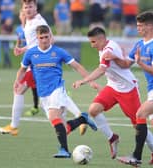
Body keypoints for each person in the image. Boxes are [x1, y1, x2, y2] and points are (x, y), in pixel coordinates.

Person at [0, 0, 87, 137]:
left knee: (19, 89)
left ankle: (14, 126)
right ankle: (80, 116)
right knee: (54, 94)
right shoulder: (29, 21)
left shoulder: (39, 22)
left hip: (38, 64)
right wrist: (23, 49)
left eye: (30, 6)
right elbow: (35, 42)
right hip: (35, 62)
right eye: (25, 7)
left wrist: (38, 56)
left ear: (36, 7)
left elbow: (50, 40)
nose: (28, 9)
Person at [9, 24, 98, 158]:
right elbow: (22, 70)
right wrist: (17, 81)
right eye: (41, 38)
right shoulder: (31, 53)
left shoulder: (59, 52)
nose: (44, 40)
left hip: (57, 90)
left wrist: (89, 80)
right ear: (37, 38)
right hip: (43, 94)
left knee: (53, 117)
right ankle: (82, 119)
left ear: (50, 37)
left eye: (46, 37)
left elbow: (77, 66)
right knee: (62, 128)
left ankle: (64, 150)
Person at [73, 26, 153, 167]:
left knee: (138, 125)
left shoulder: (109, 49)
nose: (92, 45)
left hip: (128, 90)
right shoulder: (103, 48)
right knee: (93, 110)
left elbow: (102, 70)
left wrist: (84, 80)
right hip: (112, 88)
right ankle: (112, 137)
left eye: (93, 42)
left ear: (102, 39)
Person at [107, 11, 153, 166]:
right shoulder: (139, 44)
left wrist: (141, 64)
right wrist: (115, 57)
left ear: (150, 26)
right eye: (137, 25)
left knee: (140, 113)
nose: (138, 28)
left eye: (141, 25)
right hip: (151, 90)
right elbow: (126, 63)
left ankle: (136, 157)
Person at [14, 9, 39, 116]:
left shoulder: (32, 26)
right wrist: (18, 47)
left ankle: (14, 124)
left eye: (24, 14)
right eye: (22, 14)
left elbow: (35, 43)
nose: (23, 15)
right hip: (27, 58)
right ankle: (35, 106)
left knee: (21, 88)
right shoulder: (20, 29)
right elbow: (19, 40)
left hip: (34, 58)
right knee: (34, 84)